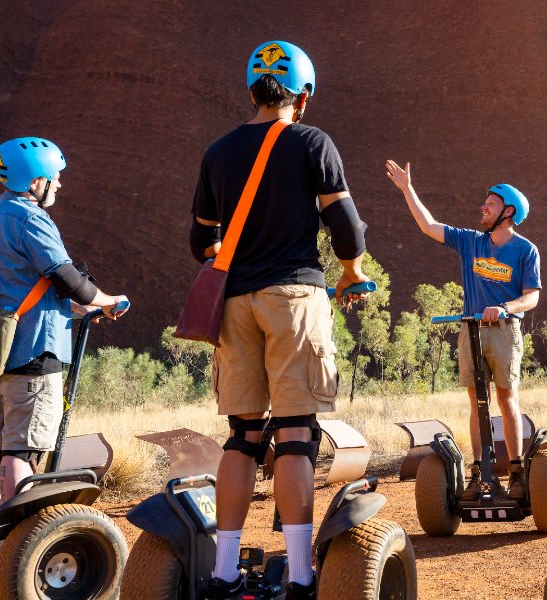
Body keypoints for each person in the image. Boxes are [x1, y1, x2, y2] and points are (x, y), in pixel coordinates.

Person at [192, 40, 369, 600]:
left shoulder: (218, 152)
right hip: (293, 296)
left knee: (242, 436)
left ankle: (222, 575)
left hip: (235, 304)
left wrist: (231, 263)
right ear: (304, 95)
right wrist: (351, 272)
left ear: (252, 89)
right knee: (294, 434)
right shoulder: (312, 142)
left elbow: (200, 241)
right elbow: (347, 228)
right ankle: (298, 575)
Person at [0, 137, 128, 592]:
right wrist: (106, 300)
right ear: (35, 180)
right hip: (36, 351)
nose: (58, 186)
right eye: (54, 178)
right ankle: (20, 543)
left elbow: (22, 286)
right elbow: (63, 275)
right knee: (25, 451)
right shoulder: (31, 218)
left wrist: (79, 309)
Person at [386, 161, 541, 501]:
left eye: (492, 203)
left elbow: (532, 297)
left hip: (503, 330)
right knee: (477, 401)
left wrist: (504, 308)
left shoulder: (525, 250)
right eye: (485, 202)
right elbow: (429, 226)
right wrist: (406, 189)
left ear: (509, 211)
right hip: (470, 330)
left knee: (506, 398)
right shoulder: (471, 242)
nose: (483, 207)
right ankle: (480, 473)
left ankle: (516, 472)